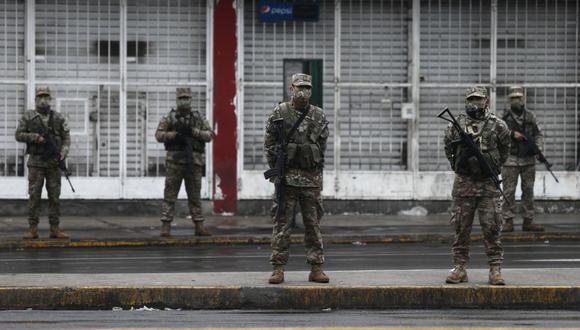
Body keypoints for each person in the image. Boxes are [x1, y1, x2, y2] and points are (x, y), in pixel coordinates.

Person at [264, 73, 329, 284]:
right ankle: (278, 268)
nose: (304, 91)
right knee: (282, 225)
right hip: (286, 180)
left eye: (307, 87)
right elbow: (269, 145)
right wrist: (277, 169)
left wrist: (315, 170)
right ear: (291, 88)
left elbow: (322, 150)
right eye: (300, 87)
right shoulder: (279, 113)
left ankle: (316, 267)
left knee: (313, 225)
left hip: (311, 181)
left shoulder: (319, 116)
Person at [443, 86, 511, 285]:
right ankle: (459, 268)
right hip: (464, 185)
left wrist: (489, 164)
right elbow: (448, 148)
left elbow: (505, 151)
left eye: (478, 99)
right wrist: (461, 163)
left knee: (492, 228)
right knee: (461, 228)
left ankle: (495, 269)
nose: (475, 103)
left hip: (488, 185)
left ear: (486, 101)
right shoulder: (456, 125)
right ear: (466, 101)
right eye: (471, 99)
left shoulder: (498, 125)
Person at [155, 87, 212, 237]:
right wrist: (175, 135)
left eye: (186, 98)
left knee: (195, 195)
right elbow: (159, 135)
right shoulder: (170, 117)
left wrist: (194, 132)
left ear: (191, 99)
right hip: (175, 161)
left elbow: (209, 135)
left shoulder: (198, 118)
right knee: (170, 195)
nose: (184, 101)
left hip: (194, 163)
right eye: (181, 98)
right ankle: (166, 225)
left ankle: (199, 225)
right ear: (177, 99)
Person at [15, 86, 70, 239]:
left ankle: (54, 228)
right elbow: (18, 135)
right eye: (40, 97)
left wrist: (63, 153)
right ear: (35, 99)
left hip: (53, 164)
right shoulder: (28, 117)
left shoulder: (58, 118)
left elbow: (66, 139)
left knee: (54, 197)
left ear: (50, 99)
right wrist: (35, 138)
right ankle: (32, 229)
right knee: (34, 196)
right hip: (36, 164)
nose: (43, 100)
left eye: (46, 97)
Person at [501, 86, 545, 232]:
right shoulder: (503, 118)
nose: (516, 101)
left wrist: (538, 149)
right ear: (509, 100)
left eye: (518, 98)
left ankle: (528, 220)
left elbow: (538, 134)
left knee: (528, 190)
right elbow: (496, 134)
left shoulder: (531, 116)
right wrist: (512, 134)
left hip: (528, 160)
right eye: (513, 98)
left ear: (523, 99)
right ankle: (508, 220)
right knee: (508, 192)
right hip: (510, 160)